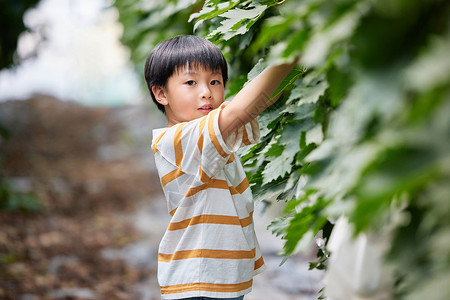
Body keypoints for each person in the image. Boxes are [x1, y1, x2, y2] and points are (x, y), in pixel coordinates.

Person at [145, 35, 297, 300]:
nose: (206, 91)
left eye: (214, 81)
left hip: (215, 279)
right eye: (191, 82)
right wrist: (294, 50)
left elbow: (260, 101)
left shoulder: (208, 136)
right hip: (199, 280)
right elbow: (242, 109)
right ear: (161, 93)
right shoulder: (177, 139)